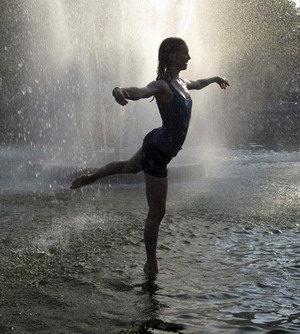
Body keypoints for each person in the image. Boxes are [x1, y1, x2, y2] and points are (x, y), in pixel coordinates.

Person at [70, 37, 229, 276]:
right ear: (172, 55)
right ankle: (150, 263)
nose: (189, 57)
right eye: (184, 53)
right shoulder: (163, 85)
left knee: (129, 167)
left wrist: (215, 79)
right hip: (158, 152)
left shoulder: (182, 82)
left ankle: (90, 177)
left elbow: (198, 82)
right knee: (157, 211)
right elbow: (142, 91)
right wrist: (119, 90)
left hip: (157, 141)